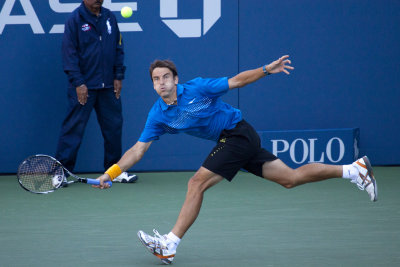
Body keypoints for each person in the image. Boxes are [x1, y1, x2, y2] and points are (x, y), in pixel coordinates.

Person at [95, 55, 377, 264]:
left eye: (166, 77)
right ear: (153, 85)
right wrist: (111, 172)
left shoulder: (198, 88)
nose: (161, 82)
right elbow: (138, 150)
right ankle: (355, 170)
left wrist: (266, 70)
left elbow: (238, 80)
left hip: (238, 134)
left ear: (176, 79)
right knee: (290, 179)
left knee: (196, 183)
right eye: (156, 79)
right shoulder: (157, 115)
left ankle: (169, 244)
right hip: (233, 142)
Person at [55, 0, 137, 183]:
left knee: (113, 130)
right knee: (73, 129)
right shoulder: (74, 20)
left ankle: (113, 171)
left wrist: (118, 76)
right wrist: (79, 82)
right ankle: (61, 173)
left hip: (108, 86)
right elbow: (69, 54)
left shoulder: (110, 17)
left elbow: (118, 48)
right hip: (84, 87)